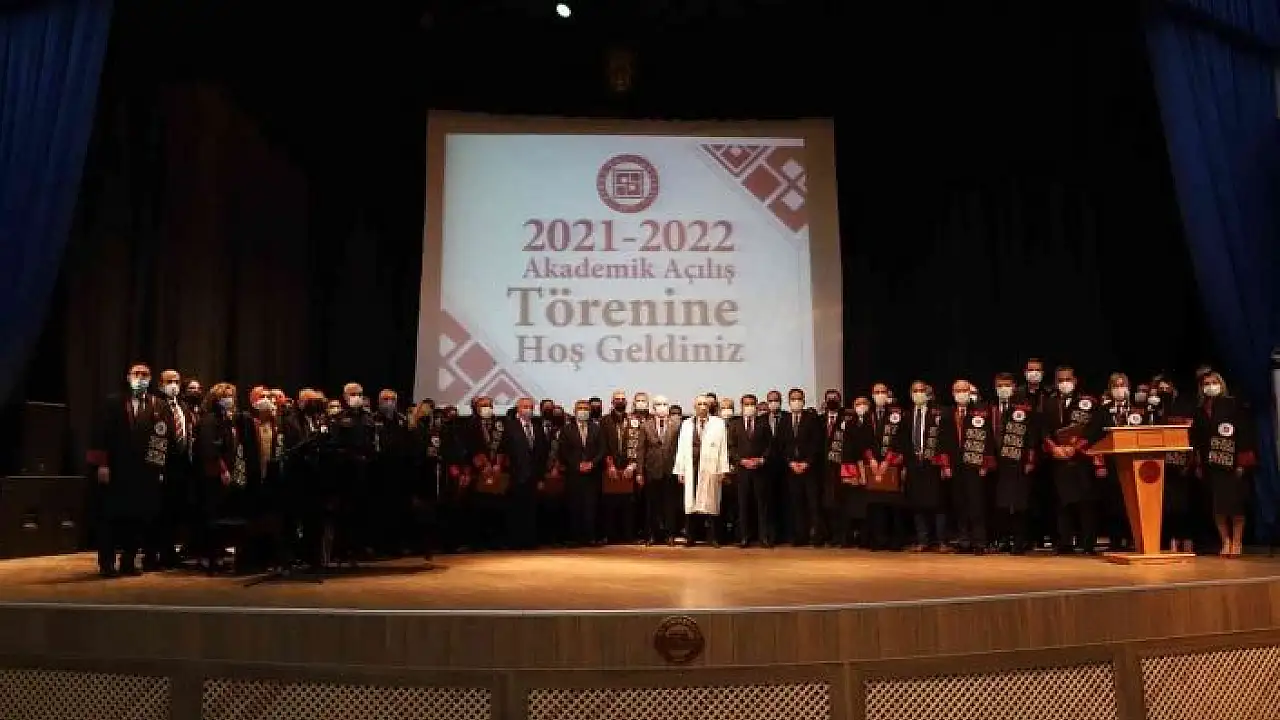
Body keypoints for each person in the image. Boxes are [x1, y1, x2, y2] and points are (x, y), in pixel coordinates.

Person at [87, 363, 175, 577]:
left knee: (137, 518)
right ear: (128, 377)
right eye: (137, 374)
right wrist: (102, 464)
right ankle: (107, 563)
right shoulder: (114, 402)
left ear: (150, 379)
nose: (141, 378)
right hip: (116, 469)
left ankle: (129, 560)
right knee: (110, 518)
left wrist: (159, 469)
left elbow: (163, 439)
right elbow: (100, 434)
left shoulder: (159, 405)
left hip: (145, 472)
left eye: (145, 375)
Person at [1193, 371, 1256, 556]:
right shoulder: (1199, 409)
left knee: (1235, 505)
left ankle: (1237, 542)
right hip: (1211, 464)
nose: (1210, 386)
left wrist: (1242, 463)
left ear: (1221, 384)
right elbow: (1197, 439)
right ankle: (1225, 541)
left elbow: (1245, 433)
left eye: (1214, 382)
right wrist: (1198, 463)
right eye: (1206, 383)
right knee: (1218, 507)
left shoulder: (1233, 404)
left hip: (1232, 463)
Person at [674, 395, 730, 546]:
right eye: (699, 404)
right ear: (695, 406)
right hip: (691, 466)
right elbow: (681, 448)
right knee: (691, 504)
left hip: (711, 467)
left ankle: (713, 537)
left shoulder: (718, 423)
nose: (703, 406)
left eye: (705, 403)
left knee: (711, 503)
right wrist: (680, 470)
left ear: (709, 406)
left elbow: (723, 447)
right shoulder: (686, 424)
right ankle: (690, 537)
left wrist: (723, 469)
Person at [898, 381, 946, 552]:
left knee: (938, 502)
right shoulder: (906, 415)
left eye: (921, 390)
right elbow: (902, 441)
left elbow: (944, 439)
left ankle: (941, 541)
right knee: (917, 503)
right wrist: (904, 465)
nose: (918, 393)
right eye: (915, 390)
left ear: (928, 393)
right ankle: (922, 540)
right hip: (913, 464)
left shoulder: (938, 413)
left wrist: (943, 463)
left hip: (933, 463)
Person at [776, 388, 823, 546]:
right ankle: (800, 536)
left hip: (810, 469)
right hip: (791, 469)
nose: (796, 401)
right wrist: (790, 462)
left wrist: (807, 462)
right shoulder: (784, 420)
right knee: (796, 504)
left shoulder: (812, 419)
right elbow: (780, 445)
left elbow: (817, 443)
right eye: (793, 399)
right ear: (789, 402)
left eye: (799, 399)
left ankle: (816, 536)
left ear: (803, 400)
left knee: (813, 504)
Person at [727, 393, 774, 547]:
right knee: (743, 505)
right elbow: (731, 446)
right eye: (746, 404)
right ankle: (744, 537)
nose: (749, 407)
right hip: (742, 471)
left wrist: (762, 459)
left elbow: (770, 445)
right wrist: (741, 460)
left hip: (760, 470)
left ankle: (763, 537)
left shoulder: (763, 423)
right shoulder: (735, 424)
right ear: (741, 406)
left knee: (762, 505)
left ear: (756, 406)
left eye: (752, 404)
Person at [559, 399, 603, 546]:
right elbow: (564, 451)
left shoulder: (596, 428)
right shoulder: (567, 429)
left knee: (591, 507)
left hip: (592, 474)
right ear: (575, 411)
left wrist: (592, 463)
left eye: (586, 408)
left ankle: (590, 537)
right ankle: (575, 538)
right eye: (580, 408)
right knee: (574, 506)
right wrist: (577, 464)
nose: (583, 411)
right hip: (574, 474)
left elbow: (602, 450)